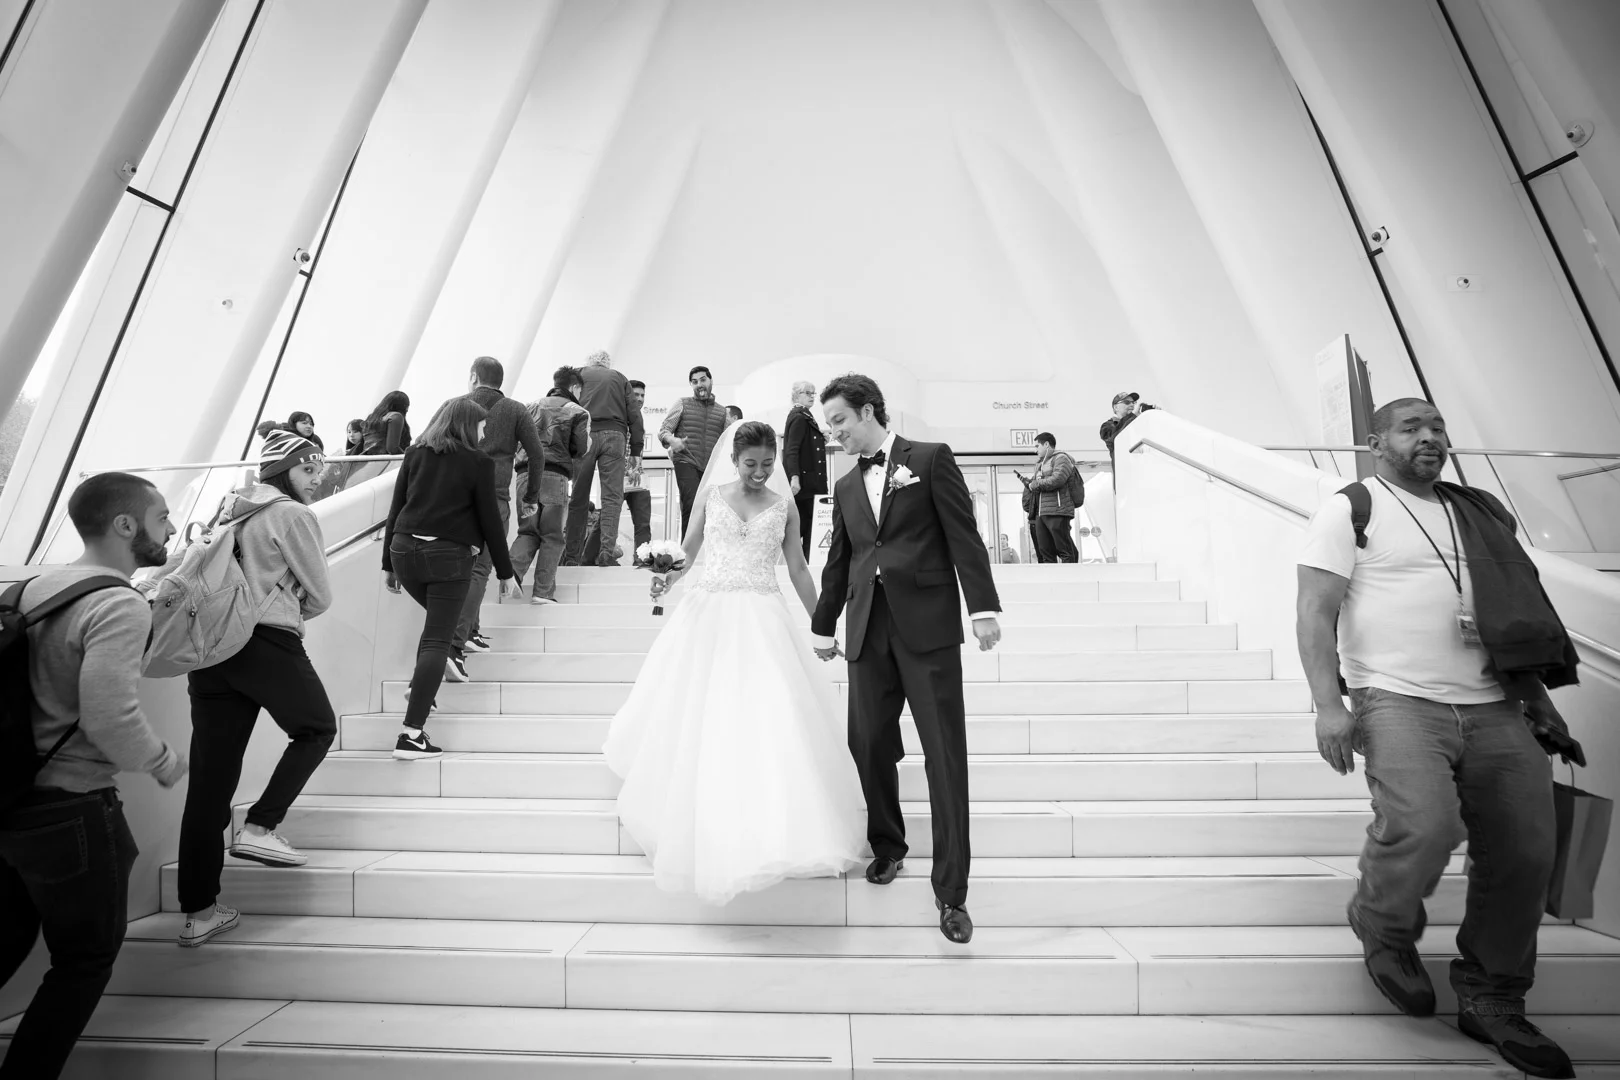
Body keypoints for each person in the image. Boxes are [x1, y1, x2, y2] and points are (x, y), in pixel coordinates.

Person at [1296, 398, 1578, 1080]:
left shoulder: (1479, 511)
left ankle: (1492, 994)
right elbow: (1313, 611)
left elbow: (1514, 609)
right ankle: (1383, 924)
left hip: (1497, 703)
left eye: (1438, 427)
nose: (1429, 437)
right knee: (1424, 824)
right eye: (1411, 427)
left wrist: (1537, 698)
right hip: (1396, 699)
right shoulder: (1352, 509)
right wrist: (1329, 706)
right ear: (1376, 443)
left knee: (1527, 849)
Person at [604, 420, 865, 903]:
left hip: (764, 614)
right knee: (702, 709)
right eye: (751, 464)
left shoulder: (784, 506)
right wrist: (666, 579)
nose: (760, 472)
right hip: (709, 611)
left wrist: (822, 624)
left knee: (771, 713)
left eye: (768, 463)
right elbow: (688, 552)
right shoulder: (712, 497)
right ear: (733, 460)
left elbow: (798, 568)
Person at [0, 473, 188, 1079]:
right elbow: (109, 715)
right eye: (162, 517)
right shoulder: (118, 602)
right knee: (84, 960)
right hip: (73, 807)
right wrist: (163, 760)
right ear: (125, 525)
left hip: (10, 800)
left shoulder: (28, 590)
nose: (171, 529)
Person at [810, 374, 1001, 945]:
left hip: (928, 627)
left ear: (868, 411)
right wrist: (823, 624)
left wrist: (982, 607)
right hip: (867, 629)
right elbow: (841, 561)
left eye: (840, 421)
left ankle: (952, 892)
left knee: (944, 754)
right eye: (829, 425)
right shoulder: (845, 484)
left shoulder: (931, 458)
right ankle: (889, 845)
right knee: (867, 743)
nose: (835, 434)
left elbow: (964, 535)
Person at [176, 430, 336, 948]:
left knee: (209, 784)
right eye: (309, 468)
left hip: (210, 649)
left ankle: (199, 912)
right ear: (285, 471)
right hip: (264, 640)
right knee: (316, 729)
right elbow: (320, 594)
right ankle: (260, 827)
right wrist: (285, 605)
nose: (317, 478)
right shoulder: (292, 515)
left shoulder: (228, 509)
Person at [383, 397, 513, 761]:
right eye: (482, 427)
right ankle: (411, 735)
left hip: (404, 552)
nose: (484, 434)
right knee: (438, 639)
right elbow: (490, 520)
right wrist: (505, 572)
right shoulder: (478, 462)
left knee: (436, 628)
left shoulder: (415, 454)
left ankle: (421, 687)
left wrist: (388, 565)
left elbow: (396, 508)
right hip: (447, 558)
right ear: (467, 425)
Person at [453, 356, 544, 661]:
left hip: (457, 496)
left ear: (473, 377)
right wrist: (530, 497)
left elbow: (425, 442)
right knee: (481, 567)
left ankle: (466, 633)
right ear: (500, 381)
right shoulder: (516, 409)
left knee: (462, 567)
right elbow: (537, 454)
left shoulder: (456, 405)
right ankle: (465, 634)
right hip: (495, 497)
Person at [512, 366, 591, 605]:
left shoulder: (528, 407)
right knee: (552, 535)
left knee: (527, 531)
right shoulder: (578, 411)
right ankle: (542, 592)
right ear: (575, 387)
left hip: (524, 474)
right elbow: (581, 448)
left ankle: (511, 575)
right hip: (554, 476)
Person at [564, 351, 640, 567]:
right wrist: (636, 450)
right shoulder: (619, 378)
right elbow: (635, 415)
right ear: (607, 365)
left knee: (578, 497)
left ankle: (571, 557)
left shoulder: (578, 374)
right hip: (615, 436)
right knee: (612, 498)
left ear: (589, 363)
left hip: (584, 433)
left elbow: (564, 405)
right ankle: (606, 551)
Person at [659, 366, 729, 537]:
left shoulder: (722, 412)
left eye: (703, 380)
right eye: (694, 382)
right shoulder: (682, 404)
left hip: (710, 469)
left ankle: (704, 550)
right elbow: (664, 431)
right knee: (691, 505)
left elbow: (727, 443)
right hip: (686, 460)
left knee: (710, 510)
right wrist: (672, 440)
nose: (699, 384)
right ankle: (686, 551)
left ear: (711, 381)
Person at [782, 380, 827, 559]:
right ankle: (801, 564)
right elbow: (791, 450)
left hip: (810, 484)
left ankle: (805, 563)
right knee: (805, 528)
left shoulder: (804, 415)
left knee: (809, 528)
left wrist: (820, 436)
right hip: (806, 485)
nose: (811, 396)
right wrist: (794, 477)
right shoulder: (799, 417)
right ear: (796, 395)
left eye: (813, 393)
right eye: (807, 393)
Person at [1025, 433, 1079, 563]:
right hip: (1041, 513)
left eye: (1037, 446)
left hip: (1058, 511)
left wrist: (1036, 484)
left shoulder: (1061, 458)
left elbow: (1057, 480)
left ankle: (1071, 575)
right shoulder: (1039, 464)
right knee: (1045, 553)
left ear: (1046, 444)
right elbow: (1036, 485)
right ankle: (1052, 577)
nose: (1035, 450)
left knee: (1065, 551)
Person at [622, 380, 653, 558]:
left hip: (637, 478)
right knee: (606, 520)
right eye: (636, 395)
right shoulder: (620, 416)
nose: (640, 399)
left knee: (643, 523)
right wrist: (628, 469)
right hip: (619, 477)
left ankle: (642, 559)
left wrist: (635, 470)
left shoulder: (639, 418)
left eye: (642, 395)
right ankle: (590, 557)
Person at [1099, 391, 1154, 466]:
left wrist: (1154, 415)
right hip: (1124, 470)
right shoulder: (1107, 426)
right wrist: (1133, 416)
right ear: (1116, 407)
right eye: (1127, 402)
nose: (1132, 405)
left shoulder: (1137, 423)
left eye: (1133, 402)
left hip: (1143, 468)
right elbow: (1116, 436)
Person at [360, 391, 412, 456]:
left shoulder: (371, 418)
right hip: (387, 460)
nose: (407, 410)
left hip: (367, 459)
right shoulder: (395, 416)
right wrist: (407, 458)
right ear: (403, 406)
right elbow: (392, 448)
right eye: (407, 406)